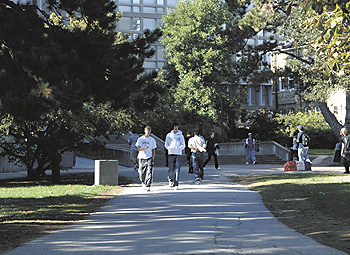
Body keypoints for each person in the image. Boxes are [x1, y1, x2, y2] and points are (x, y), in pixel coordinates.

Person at [135, 126, 157, 192]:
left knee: (149, 171)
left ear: (150, 131)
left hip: (149, 157)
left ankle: (148, 185)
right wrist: (144, 148)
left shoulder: (152, 140)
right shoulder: (140, 139)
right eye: (146, 130)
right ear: (144, 131)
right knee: (142, 173)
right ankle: (143, 182)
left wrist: (153, 157)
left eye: (149, 130)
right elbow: (138, 149)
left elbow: (153, 149)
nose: (148, 131)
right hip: (141, 157)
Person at [164, 123, 186, 190]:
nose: (176, 128)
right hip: (171, 153)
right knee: (171, 168)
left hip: (178, 153)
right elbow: (166, 144)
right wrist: (169, 148)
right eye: (175, 127)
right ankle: (171, 179)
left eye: (177, 127)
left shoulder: (180, 135)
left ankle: (176, 183)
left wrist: (179, 148)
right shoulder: (169, 135)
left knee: (177, 168)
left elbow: (183, 144)